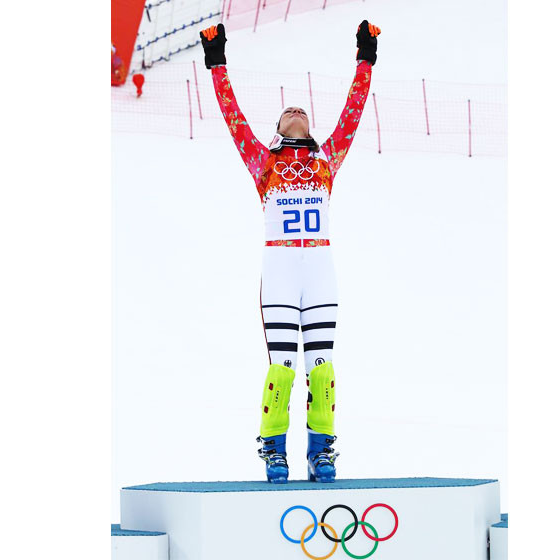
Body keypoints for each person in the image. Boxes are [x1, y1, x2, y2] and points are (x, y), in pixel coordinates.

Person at [199, 20, 381, 483]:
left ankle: (322, 450)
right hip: (280, 267)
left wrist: (366, 56)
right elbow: (232, 116)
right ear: (278, 130)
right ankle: (273, 448)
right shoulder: (264, 162)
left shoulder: (327, 159)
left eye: (302, 110)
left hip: (319, 268)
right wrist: (216, 61)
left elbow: (353, 113)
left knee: (321, 369)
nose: (296, 112)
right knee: (282, 366)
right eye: (288, 112)